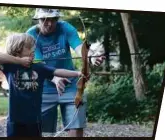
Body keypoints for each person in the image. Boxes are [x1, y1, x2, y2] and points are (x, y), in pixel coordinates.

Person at [26, 8, 105, 137]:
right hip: (43, 88)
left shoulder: (65, 28)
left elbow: (80, 48)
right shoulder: (30, 35)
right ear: (38, 19)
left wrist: (91, 57)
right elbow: (39, 66)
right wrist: (55, 78)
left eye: (54, 19)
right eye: (45, 19)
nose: (50, 23)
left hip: (70, 86)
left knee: (76, 125)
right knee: (41, 129)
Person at [0, 33, 86, 137]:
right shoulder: (10, 67)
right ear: (17, 50)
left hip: (34, 120)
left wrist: (78, 73)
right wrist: (19, 61)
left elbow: (57, 71)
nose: (33, 50)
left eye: (33, 47)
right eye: (29, 48)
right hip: (15, 119)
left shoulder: (39, 67)